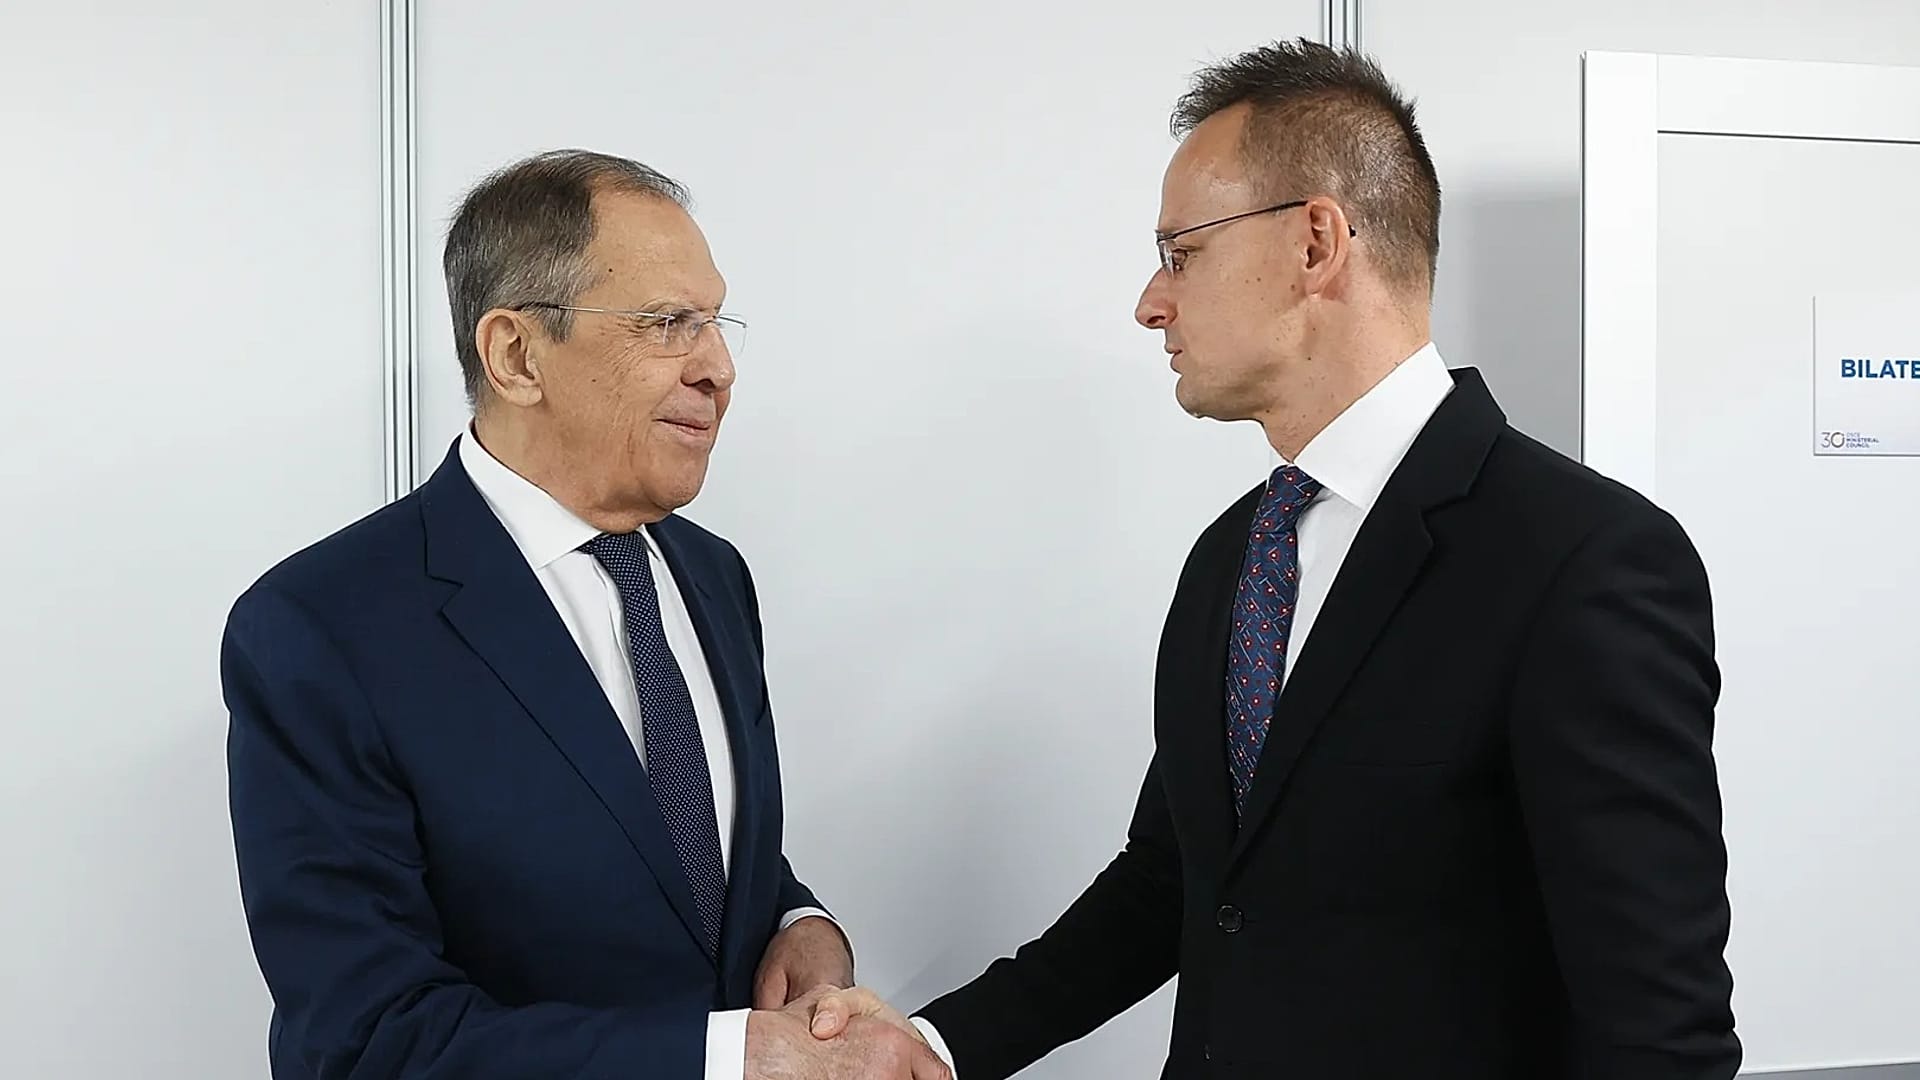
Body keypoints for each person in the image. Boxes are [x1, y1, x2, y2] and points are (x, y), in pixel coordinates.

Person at [813, 39, 1741, 1079]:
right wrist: (937, 1045)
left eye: (1182, 251)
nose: (1150, 302)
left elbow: (1660, 1029)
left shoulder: (1584, 560)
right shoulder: (1234, 560)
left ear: (1315, 244)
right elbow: (1180, 879)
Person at [222, 150, 947, 1080]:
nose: (719, 368)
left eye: (716, 322)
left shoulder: (712, 576)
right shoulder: (319, 629)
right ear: (517, 355)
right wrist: (728, 1057)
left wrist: (797, 922)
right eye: (668, 324)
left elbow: (672, 850)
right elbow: (366, 1042)